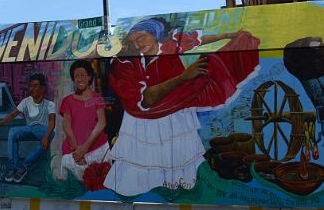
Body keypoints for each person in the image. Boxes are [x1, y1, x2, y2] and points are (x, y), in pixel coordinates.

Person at [105, 18, 259, 196]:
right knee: (143, 156)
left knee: (178, 151)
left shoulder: (170, 46)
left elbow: (197, 39)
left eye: (142, 37)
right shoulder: (128, 64)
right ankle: (140, 190)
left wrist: (230, 35)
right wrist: (183, 77)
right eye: (134, 41)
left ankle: (180, 186)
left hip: (176, 111)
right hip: (143, 120)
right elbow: (145, 99)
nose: (139, 44)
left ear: (154, 33)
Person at [0, 73, 56, 183]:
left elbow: (52, 121)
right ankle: (13, 168)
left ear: (42, 89)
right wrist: (0, 123)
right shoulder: (26, 101)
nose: (32, 89)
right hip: (30, 129)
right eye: (31, 86)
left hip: (43, 130)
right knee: (13, 131)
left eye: (35, 86)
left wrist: (46, 137)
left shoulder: (49, 104)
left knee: (50, 134)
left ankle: (24, 166)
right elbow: (12, 115)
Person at [54, 60, 110, 182]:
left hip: (98, 148)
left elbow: (102, 123)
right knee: (75, 185)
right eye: (76, 76)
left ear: (89, 77)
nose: (79, 79)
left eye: (82, 75)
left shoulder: (97, 98)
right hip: (73, 152)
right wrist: (77, 152)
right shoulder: (67, 101)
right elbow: (67, 127)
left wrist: (84, 149)